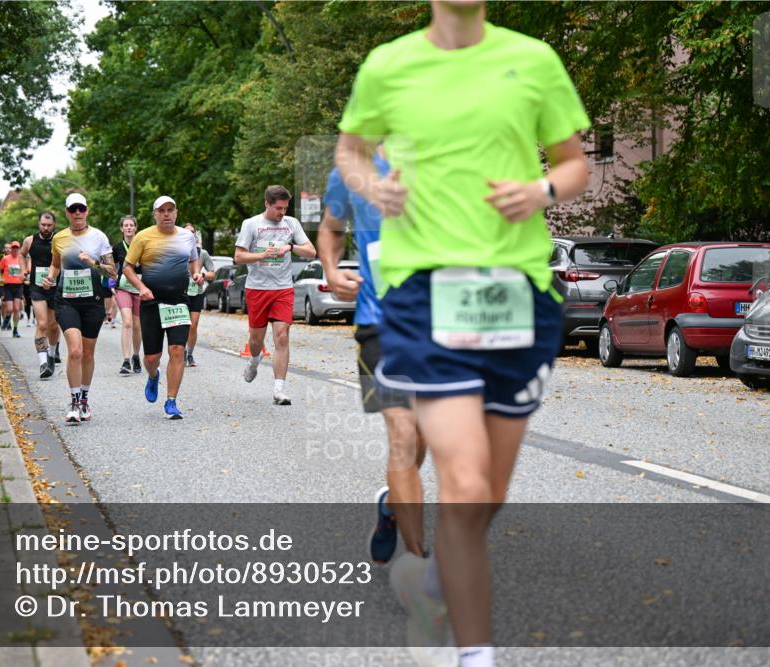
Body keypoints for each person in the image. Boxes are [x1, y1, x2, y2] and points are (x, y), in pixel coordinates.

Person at [335, 2, 591, 665]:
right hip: (424, 296)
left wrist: (540, 190)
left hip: (517, 293)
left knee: (486, 497)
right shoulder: (388, 65)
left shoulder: (533, 59)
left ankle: (429, 578)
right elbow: (350, 150)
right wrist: (372, 187)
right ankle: (473, 653)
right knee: (467, 481)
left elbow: (573, 163)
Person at [318, 146, 429, 567]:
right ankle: (419, 559)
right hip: (379, 320)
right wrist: (331, 269)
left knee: (422, 439)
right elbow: (331, 227)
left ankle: (390, 506)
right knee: (403, 434)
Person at [235, 185, 316, 405]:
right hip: (257, 289)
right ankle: (254, 359)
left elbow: (311, 251)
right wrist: (262, 255)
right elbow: (239, 257)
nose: (282, 212)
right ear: (267, 204)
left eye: (285, 208)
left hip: (282, 288)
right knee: (255, 339)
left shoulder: (291, 224)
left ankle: (279, 389)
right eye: (278, 208)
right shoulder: (251, 224)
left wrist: (289, 247)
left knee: (282, 335)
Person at [122, 196, 201, 420]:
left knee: (177, 350)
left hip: (178, 301)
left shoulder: (187, 236)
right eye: (161, 211)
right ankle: (154, 375)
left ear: (176, 213)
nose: (166, 214)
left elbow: (193, 259)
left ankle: (171, 401)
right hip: (151, 302)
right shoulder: (143, 236)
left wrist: (196, 273)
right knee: (151, 359)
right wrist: (140, 287)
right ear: (155, 214)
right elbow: (127, 267)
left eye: (170, 210)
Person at [41, 193, 115, 424]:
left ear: (87, 211)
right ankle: (73, 402)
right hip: (66, 301)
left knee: (88, 353)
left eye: (81, 209)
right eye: (72, 210)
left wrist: (92, 263)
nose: (77, 214)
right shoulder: (59, 238)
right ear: (66, 213)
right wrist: (50, 278)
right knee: (75, 351)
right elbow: (55, 265)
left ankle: (84, 398)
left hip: (93, 301)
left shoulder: (99, 237)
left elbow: (112, 272)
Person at [21, 211, 62, 379]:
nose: (46, 228)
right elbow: (22, 255)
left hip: (55, 287)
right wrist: (24, 269)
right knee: (43, 324)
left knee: (53, 326)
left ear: (54, 225)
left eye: (49, 225)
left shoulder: (59, 241)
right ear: (39, 224)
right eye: (43, 225)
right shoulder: (30, 241)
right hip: (37, 287)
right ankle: (43, 363)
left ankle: (52, 354)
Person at [111, 215, 143, 375]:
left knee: (137, 326)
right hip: (123, 288)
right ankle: (125, 360)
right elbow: (110, 267)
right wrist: (110, 281)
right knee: (128, 322)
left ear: (135, 228)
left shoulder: (143, 245)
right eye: (126, 225)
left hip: (139, 289)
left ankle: (136, 356)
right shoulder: (117, 248)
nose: (129, 227)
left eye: (131, 225)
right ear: (122, 228)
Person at [183, 223, 215, 367]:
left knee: (193, 325)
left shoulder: (202, 253)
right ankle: (180, 351)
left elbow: (212, 274)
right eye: (187, 232)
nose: (191, 234)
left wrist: (202, 274)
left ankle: (189, 353)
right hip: (181, 292)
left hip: (196, 292)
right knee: (182, 324)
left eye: (193, 232)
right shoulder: (177, 250)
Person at [0, 242, 25, 335]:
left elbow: (25, 270)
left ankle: (15, 330)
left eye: (17, 248)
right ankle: (7, 319)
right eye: (13, 248)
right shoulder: (5, 258)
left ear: (19, 249)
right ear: (11, 249)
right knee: (9, 309)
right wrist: (0, 278)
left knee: (16, 308)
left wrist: (24, 275)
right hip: (8, 286)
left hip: (18, 286)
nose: (15, 249)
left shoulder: (21, 259)